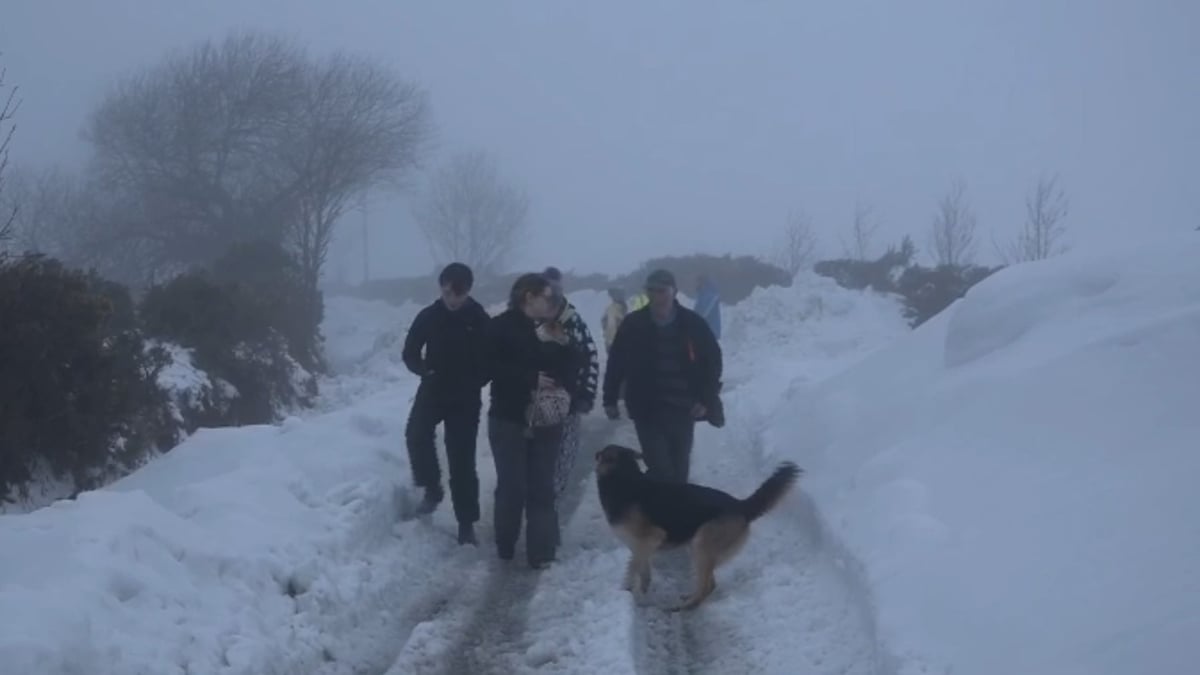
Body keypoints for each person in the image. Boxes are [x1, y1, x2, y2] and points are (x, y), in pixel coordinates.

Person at [485, 272, 575, 568]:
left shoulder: (554, 327)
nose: (552, 301)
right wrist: (528, 378)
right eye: (546, 296)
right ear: (529, 297)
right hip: (508, 418)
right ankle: (506, 543)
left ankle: (542, 553)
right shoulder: (499, 327)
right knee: (512, 485)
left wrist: (561, 348)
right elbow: (487, 367)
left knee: (542, 486)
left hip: (547, 419)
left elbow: (572, 367)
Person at [602, 269, 723, 484]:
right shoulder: (634, 324)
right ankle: (663, 513)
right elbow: (616, 363)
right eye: (652, 291)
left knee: (679, 467)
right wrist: (609, 398)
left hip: (684, 409)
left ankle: (674, 514)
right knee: (659, 468)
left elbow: (712, 364)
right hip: (646, 409)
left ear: (674, 292)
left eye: (662, 291)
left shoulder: (692, 324)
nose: (657, 296)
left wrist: (705, 399)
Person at [402, 262, 491, 545]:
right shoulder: (429, 316)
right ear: (441, 288)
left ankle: (466, 523)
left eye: (459, 294)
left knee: (461, 459)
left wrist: (478, 379)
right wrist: (424, 370)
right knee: (415, 434)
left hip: (465, 397)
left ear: (467, 291)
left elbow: (493, 356)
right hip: (433, 389)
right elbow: (410, 352)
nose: (453, 300)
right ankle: (432, 487)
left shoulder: (478, 318)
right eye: (448, 293)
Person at [540, 266, 600, 501]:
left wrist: (586, 394)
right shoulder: (527, 319)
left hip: (569, 405)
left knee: (562, 462)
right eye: (546, 287)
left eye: (556, 288)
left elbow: (590, 356)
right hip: (532, 405)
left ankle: (550, 507)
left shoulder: (573, 321)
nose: (551, 293)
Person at [693, 274, 722, 341]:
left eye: (698, 282)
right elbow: (697, 308)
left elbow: (707, 310)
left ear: (703, 282)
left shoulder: (710, 293)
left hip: (711, 329)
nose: (696, 284)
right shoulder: (701, 293)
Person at [600, 287, 628, 353]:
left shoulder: (621, 308)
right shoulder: (610, 308)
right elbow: (604, 321)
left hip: (618, 341)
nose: (612, 297)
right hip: (610, 340)